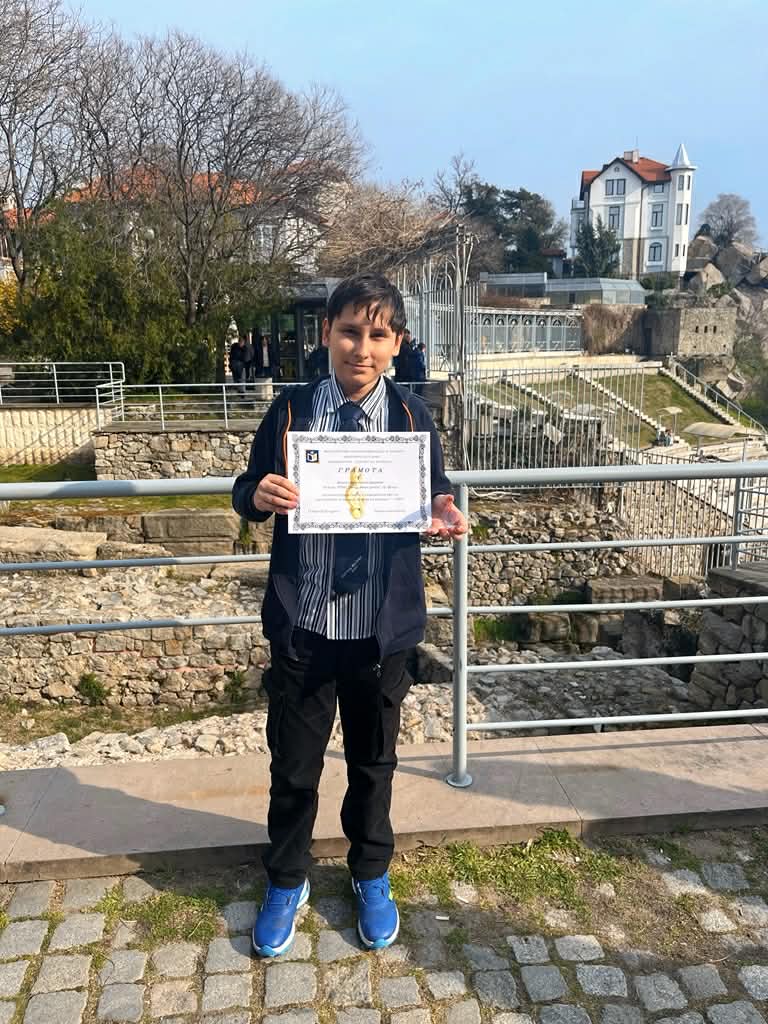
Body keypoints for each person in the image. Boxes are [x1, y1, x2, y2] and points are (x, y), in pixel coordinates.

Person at [232, 273, 467, 958]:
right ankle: (286, 879)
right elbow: (245, 490)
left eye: (376, 335)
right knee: (293, 767)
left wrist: (443, 508)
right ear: (327, 333)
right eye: (349, 332)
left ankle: (370, 872)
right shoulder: (292, 411)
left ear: (397, 344)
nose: (361, 348)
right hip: (306, 626)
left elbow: (435, 492)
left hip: (378, 632)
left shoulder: (413, 418)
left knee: (373, 765)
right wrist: (258, 495)